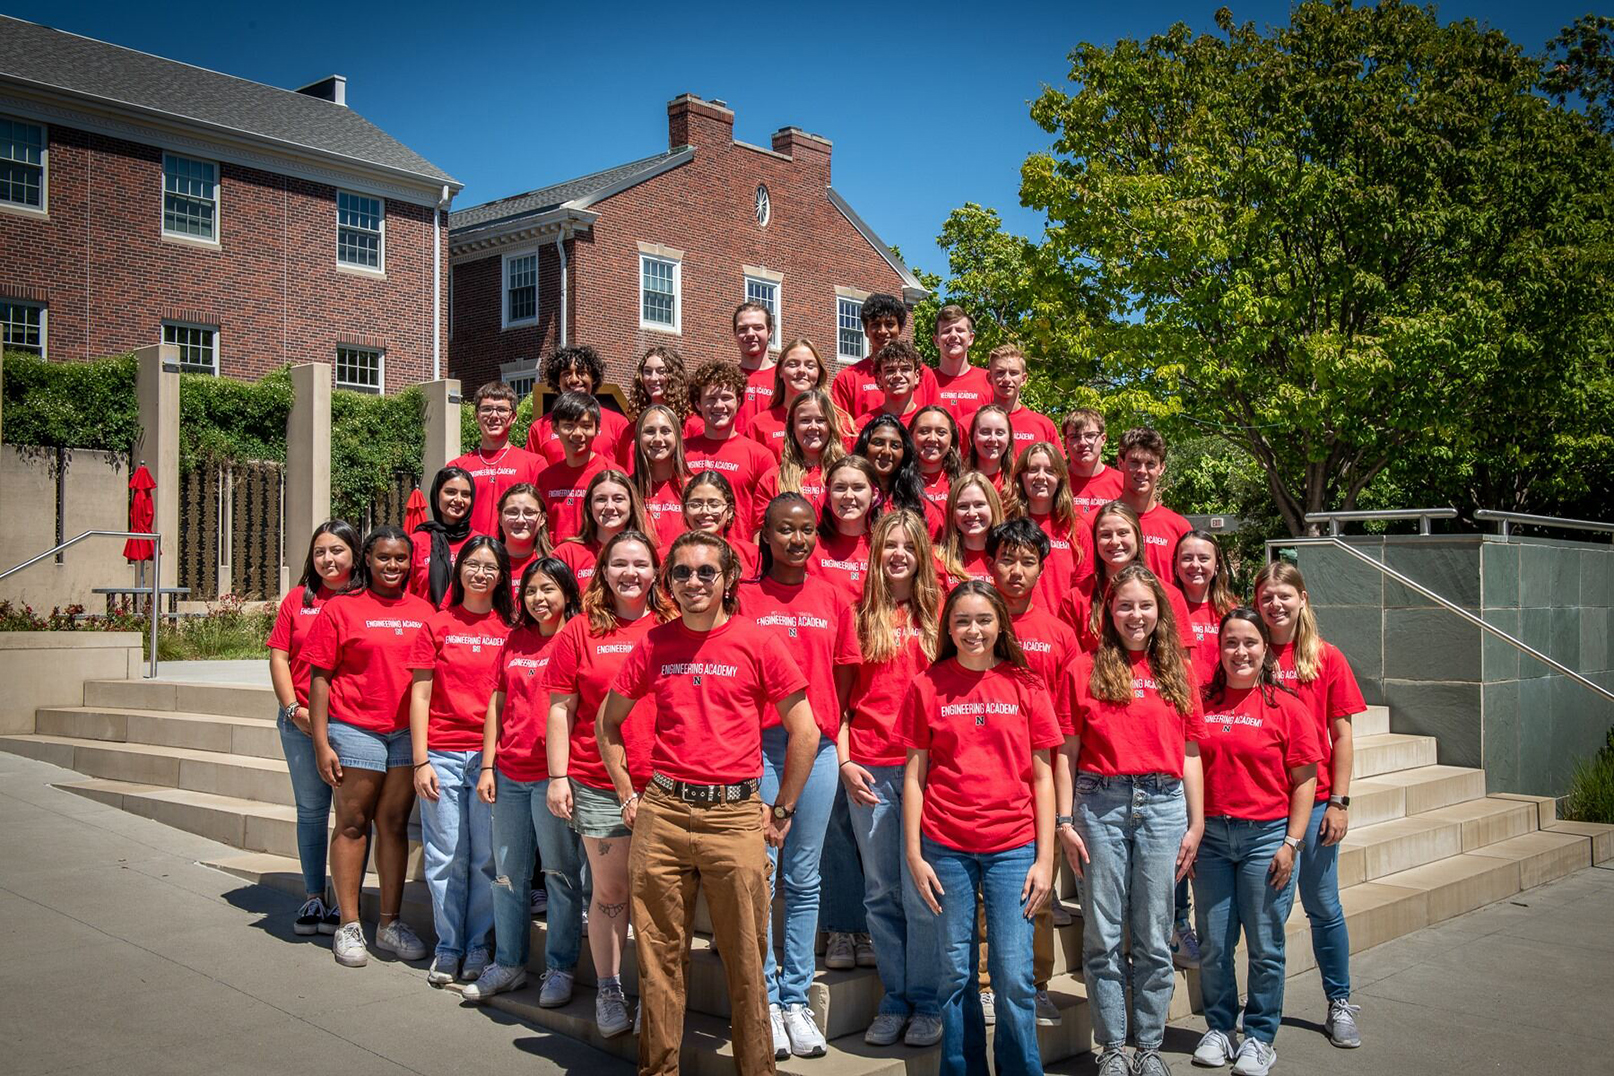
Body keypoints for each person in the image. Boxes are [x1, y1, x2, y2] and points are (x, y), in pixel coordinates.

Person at [599, 530, 819, 1076]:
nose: (693, 582)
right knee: (658, 961)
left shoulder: (758, 640)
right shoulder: (653, 644)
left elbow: (806, 731)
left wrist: (783, 809)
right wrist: (629, 794)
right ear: (667, 581)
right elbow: (608, 723)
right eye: (681, 572)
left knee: (747, 964)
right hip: (664, 814)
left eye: (705, 572)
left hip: (735, 816)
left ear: (728, 581)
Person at [900, 580, 1060, 1076]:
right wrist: (914, 854)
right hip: (945, 847)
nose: (973, 630)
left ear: (1001, 626)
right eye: (962, 621)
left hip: (1014, 848)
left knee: (1013, 975)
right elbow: (913, 774)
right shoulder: (927, 685)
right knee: (954, 973)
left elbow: (1043, 775)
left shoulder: (1026, 685)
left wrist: (1045, 859)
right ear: (948, 628)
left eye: (984, 620)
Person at [1062, 563, 1207, 1076]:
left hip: (1164, 804)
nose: (1136, 615)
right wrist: (1064, 820)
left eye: (1145, 605)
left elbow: (1190, 750)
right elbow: (1068, 752)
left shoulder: (1178, 671)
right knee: (1102, 935)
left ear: (1160, 611)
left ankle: (1148, 1045)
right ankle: (1113, 1048)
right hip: (1100, 803)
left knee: (1152, 933)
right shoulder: (1083, 668)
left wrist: (1196, 821)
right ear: (1110, 612)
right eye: (1125, 605)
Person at [739, 495, 860, 1059]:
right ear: (764, 535)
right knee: (762, 873)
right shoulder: (741, 597)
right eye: (784, 530)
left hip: (818, 749)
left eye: (806, 530)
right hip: (757, 747)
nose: (796, 539)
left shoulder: (833, 597)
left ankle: (795, 998)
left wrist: (829, 729)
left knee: (805, 875)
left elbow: (842, 673)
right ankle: (764, 994)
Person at [543, 530, 673, 1032]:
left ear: (655, 571)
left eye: (640, 564)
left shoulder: (673, 625)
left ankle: (656, 996)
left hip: (666, 783)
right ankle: (610, 989)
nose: (630, 573)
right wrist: (558, 776)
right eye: (619, 563)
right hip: (599, 783)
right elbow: (560, 709)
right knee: (611, 891)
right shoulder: (579, 631)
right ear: (603, 571)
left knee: (660, 896)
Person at [1191, 608, 1322, 1076]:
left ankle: (1260, 1036)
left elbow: (1305, 779)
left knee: (1265, 946)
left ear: (1265, 649)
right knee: (1213, 943)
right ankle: (1220, 1028)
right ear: (1219, 648)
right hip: (1210, 840)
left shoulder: (1286, 707)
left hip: (1265, 837)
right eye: (1230, 642)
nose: (1240, 651)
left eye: (1249, 642)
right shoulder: (1202, 702)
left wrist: (1292, 841)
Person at [304, 526, 436, 968]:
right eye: (384, 558)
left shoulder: (423, 610)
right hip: (355, 730)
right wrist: (321, 743)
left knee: (394, 825)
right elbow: (318, 679)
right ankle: (348, 924)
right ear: (367, 560)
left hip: (403, 735)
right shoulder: (342, 609)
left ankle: (389, 923)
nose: (393, 566)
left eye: (401, 558)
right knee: (353, 824)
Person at [1252, 562, 1367, 1050]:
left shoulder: (1325, 658)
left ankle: (1339, 1000)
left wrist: (1339, 802)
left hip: (1317, 803)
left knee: (1323, 905)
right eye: (1266, 597)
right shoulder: (1247, 651)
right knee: (1265, 916)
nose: (1274, 605)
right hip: (1262, 805)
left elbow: (1341, 735)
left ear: (1302, 599)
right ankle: (1263, 1013)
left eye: (1284, 595)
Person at [840, 510, 944, 1048]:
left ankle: (927, 1002)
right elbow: (838, 702)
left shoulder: (943, 614)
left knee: (920, 890)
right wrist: (843, 760)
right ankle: (896, 996)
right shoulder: (860, 616)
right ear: (877, 555)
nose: (899, 554)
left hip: (928, 771)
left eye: (908, 545)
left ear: (922, 554)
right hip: (871, 769)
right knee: (880, 891)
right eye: (889, 546)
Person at [465, 556, 582, 1003]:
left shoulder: (578, 637)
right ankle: (509, 963)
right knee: (509, 875)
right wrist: (489, 765)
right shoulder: (514, 640)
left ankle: (560, 968)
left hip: (554, 778)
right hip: (510, 774)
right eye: (531, 590)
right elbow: (497, 704)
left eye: (548, 589)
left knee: (559, 875)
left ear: (567, 593)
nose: (539, 598)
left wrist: (565, 776)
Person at [406, 536, 515, 986]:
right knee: (445, 854)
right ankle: (448, 945)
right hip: (444, 755)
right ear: (458, 569)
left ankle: (476, 945)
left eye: (490, 567)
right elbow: (421, 693)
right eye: (472, 564)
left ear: (501, 575)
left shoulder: (510, 628)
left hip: (491, 758)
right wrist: (419, 761)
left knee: (486, 858)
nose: (481, 573)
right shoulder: (438, 624)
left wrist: (490, 761)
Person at [986, 519, 1079, 1022]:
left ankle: (1037, 982)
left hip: (1035, 782)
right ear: (991, 561)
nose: (1016, 571)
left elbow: (1065, 729)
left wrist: (1064, 810)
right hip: (976, 778)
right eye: (1007, 559)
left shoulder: (1058, 635)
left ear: (1043, 569)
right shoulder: (973, 619)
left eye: (1027, 561)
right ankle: (984, 984)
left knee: (1035, 891)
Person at [267, 518, 359, 935]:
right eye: (320, 551)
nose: (328, 559)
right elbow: (279, 657)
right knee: (311, 810)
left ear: (354, 554)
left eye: (337, 550)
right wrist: (292, 710)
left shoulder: (365, 600)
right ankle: (313, 898)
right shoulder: (297, 600)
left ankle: (344, 902)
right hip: (300, 722)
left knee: (352, 814)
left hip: (351, 724)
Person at [1168, 530, 1239, 969]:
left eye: (1204, 558)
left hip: (1225, 730)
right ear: (1175, 564)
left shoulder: (1230, 610)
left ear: (1217, 564)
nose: (1195, 566)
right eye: (1187, 558)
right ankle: (1179, 922)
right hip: (1180, 728)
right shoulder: (1166, 603)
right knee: (1180, 829)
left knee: (1207, 829)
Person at [1060, 502, 1193, 654]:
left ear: (1137, 537)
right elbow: (1070, 665)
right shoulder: (1075, 599)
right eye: (1105, 535)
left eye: (1123, 533)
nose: (1115, 541)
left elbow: (1183, 662)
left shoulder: (1170, 595)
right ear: (1095, 541)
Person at [683, 359, 779, 540]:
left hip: (740, 558)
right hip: (690, 556)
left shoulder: (760, 456)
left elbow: (766, 520)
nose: (719, 406)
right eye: (711, 399)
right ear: (698, 404)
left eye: (726, 398)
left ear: (739, 401)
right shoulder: (681, 452)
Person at [448, 382, 543, 537]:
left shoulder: (534, 464)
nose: (494, 416)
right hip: (471, 553)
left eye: (502, 410)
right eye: (486, 409)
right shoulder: (458, 467)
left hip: (516, 553)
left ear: (513, 417)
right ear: (476, 415)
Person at [750, 388, 848, 530]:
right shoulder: (773, 479)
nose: (813, 427)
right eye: (805, 420)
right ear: (792, 427)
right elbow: (761, 533)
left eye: (821, 420)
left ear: (831, 425)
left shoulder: (847, 474)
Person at [831, 293, 938, 420]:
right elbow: (842, 430)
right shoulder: (847, 379)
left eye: (889, 324)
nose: (882, 331)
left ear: (901, 328)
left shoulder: (923, 374)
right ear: (866, 330)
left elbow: (936, 422)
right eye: (875, 325)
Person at [1010, 442, 1088, 608]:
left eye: (1050, 471)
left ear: (1060, 478)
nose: (1041, 476)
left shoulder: (1076, 528)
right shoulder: (1006, 523)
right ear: (1021, 476)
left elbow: (1083, 590)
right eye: (1033, 469)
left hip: (1062, 628)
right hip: (1017, 626)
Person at [528, 345, 632, 465]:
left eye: (582, 372)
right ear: (557, 380)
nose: (574, 379)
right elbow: (533, 477)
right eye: (567, 373)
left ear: (593, 378)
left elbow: (627, 473)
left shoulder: (618, 423)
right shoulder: (539, 427)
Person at [747, 339, 848, 460]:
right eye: (793, 364)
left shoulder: (840, 422)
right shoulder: (759, 425)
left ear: (819, 372)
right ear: (780, 371)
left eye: (810, 366)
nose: (801, 371)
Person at [555, 469, 655, 589]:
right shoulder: (566, 554)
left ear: (632, 506)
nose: (609, 507)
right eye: (601, 499)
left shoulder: (647, 552)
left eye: (618, 499)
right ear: (589, 507)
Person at [535, 392, 615, 543]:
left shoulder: (612, 474)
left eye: (586, 426)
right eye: (569, 426)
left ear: (597, 428)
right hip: (555, 563)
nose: (578, 434)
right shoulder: (545, 478)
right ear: (555, 428)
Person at [1115, 427, 1192, 580]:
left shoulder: (1179, 528)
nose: (1142, 471)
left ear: (1161, 468)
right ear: (1120, 463)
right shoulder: (1098, 523)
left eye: (1150, 464)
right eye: (1135, 462)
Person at [806, 454, 881, 602]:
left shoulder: (886, 546)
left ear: (874, 494)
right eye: (840, 488)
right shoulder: (810, 546)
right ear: (828, 494)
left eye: (858, 487)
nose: (848, 495)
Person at [854, 412, 941, 534]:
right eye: (878, 443)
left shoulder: (921, 508)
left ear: (904, 453)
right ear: (864, 446)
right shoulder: (847, 500)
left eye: (895, 446)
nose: (886, 451)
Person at [628, 404, 692, 551]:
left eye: (665, 431)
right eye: (650, 431)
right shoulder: (627, 488)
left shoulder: (693, 488)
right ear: (638, 437)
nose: (657, 438)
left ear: (677, 436)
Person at [409, 467, 475, 605]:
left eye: (465, 494)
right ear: (436, 494)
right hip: (425, 623)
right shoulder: (416, 542)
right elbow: (406, 594)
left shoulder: (479, 544)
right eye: (450, 492)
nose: (458, 500)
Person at [984, 345, 1060, 462]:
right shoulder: (972, 424)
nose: (1007, 379)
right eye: (1000, 372)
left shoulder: (1044, 426)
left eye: (1013, 373)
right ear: (989, 378)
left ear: (1023, 379)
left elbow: (1059, 471)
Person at [681, 469, 760, 578]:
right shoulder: (669, 556)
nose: (705, 511)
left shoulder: (752, 556)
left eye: (714, 504)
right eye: (696, 504)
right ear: (685, 510)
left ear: (730, 510)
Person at [938, 472, 1005, 587]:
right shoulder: (938, 561)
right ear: (952, 513)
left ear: (993, 508)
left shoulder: (1008, 558)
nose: (972, 513)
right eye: (962, 506)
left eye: (979, 504)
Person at [930, 305, 992, 423]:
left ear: (971, 338)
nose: (953, 335)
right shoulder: (925, 381)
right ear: (936, 340)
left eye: (960, 330)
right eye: (946, 331)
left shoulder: (989, 381)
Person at [494, 484, 552, 602]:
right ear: (500, 518)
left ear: (542, 519)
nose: (520, 520)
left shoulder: (553, 563)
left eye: (529, 512)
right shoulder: (485, 562)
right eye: (512, 512)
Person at [1062, 408, 1124, 512]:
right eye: (1074, 437)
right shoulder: (1056, 482)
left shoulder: (1123, 483)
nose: (1083, 443)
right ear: (1066, 442)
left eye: (1090, 435)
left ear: (1103, 439)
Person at [625, 344, 692, 435]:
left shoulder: (692, 425)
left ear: (675, 376)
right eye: (648, 371)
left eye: (661, 371)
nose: (653, 378)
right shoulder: (631, 431)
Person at [733, 300, 780, 422]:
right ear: (735, 334)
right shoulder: (727, 378)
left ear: (770, 332)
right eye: (743, 329)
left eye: (758, 328)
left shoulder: (783, 378)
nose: (750, 334)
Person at [860, 340, 926, 425]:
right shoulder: (863, 425)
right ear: (879, 378)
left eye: (905, 369)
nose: (898, 375)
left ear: (916, 376)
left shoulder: (929, 423)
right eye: (890, 370)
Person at [911, 405, 962, 512]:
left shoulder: (963, 481)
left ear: (952, 440)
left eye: (941, 432)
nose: (932, 439)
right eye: (924, 431)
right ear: (911, 436)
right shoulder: (899, 481)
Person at [963, 405, 1015, 500]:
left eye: (999, 433)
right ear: (972, 437)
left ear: (1009, 439)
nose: (993, 439)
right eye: (985, 432)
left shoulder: (1018, 484)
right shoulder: (959, 481)